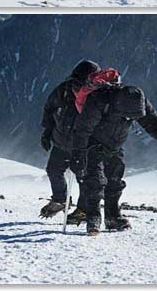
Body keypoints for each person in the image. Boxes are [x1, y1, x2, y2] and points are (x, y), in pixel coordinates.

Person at [70, 68, 157, 235]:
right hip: (93, 145)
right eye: (127, 117)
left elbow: (152, 123)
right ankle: (93, 217)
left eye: (133, 117)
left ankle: (112, 217)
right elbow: (82, 130)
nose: (130, 119)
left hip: (115, 146)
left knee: (115, 181)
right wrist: (78, 155)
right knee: (95, 182)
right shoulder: (99, 100)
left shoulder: (138, 102)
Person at [39, 59, 101, 223]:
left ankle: (82, 209)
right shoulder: (63, 90)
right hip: (61, 141)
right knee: (53, 170)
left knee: (83, 177)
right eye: (76, 82)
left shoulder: (97, 96)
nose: (77, 87)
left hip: (83, 147)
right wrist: (47, 131)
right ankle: (60, 200)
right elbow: (50, 108)